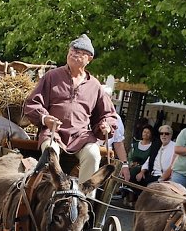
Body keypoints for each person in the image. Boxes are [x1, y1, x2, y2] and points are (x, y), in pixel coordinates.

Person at [23, 34, 118, 183]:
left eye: (80, 53)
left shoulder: (95, 85)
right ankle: (50, 192)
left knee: (93, 155)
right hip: (53, 133)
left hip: (81, 136)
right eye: (72, 51)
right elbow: (32, 103)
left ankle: (85, 194)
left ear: (89, 58)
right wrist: (45, 118)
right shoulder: (51, 76)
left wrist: (106, 125)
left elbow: (107, 114)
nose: (74, 54)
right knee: (50, 153)